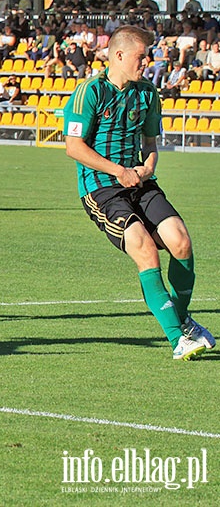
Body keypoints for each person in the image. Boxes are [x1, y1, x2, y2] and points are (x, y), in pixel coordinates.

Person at [63, 25, 214, 360]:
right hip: (102, 189)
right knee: (145, 248)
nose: (148, 61)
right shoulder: (89, 91)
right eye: (141, 56)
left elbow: (150, 144)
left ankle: (182, 320)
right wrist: (119, 171)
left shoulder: (146, 93)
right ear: (118, 55)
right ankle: (179, 339)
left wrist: (146, 167)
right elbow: (73, 147)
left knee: (181, 241)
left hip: (140, 182)